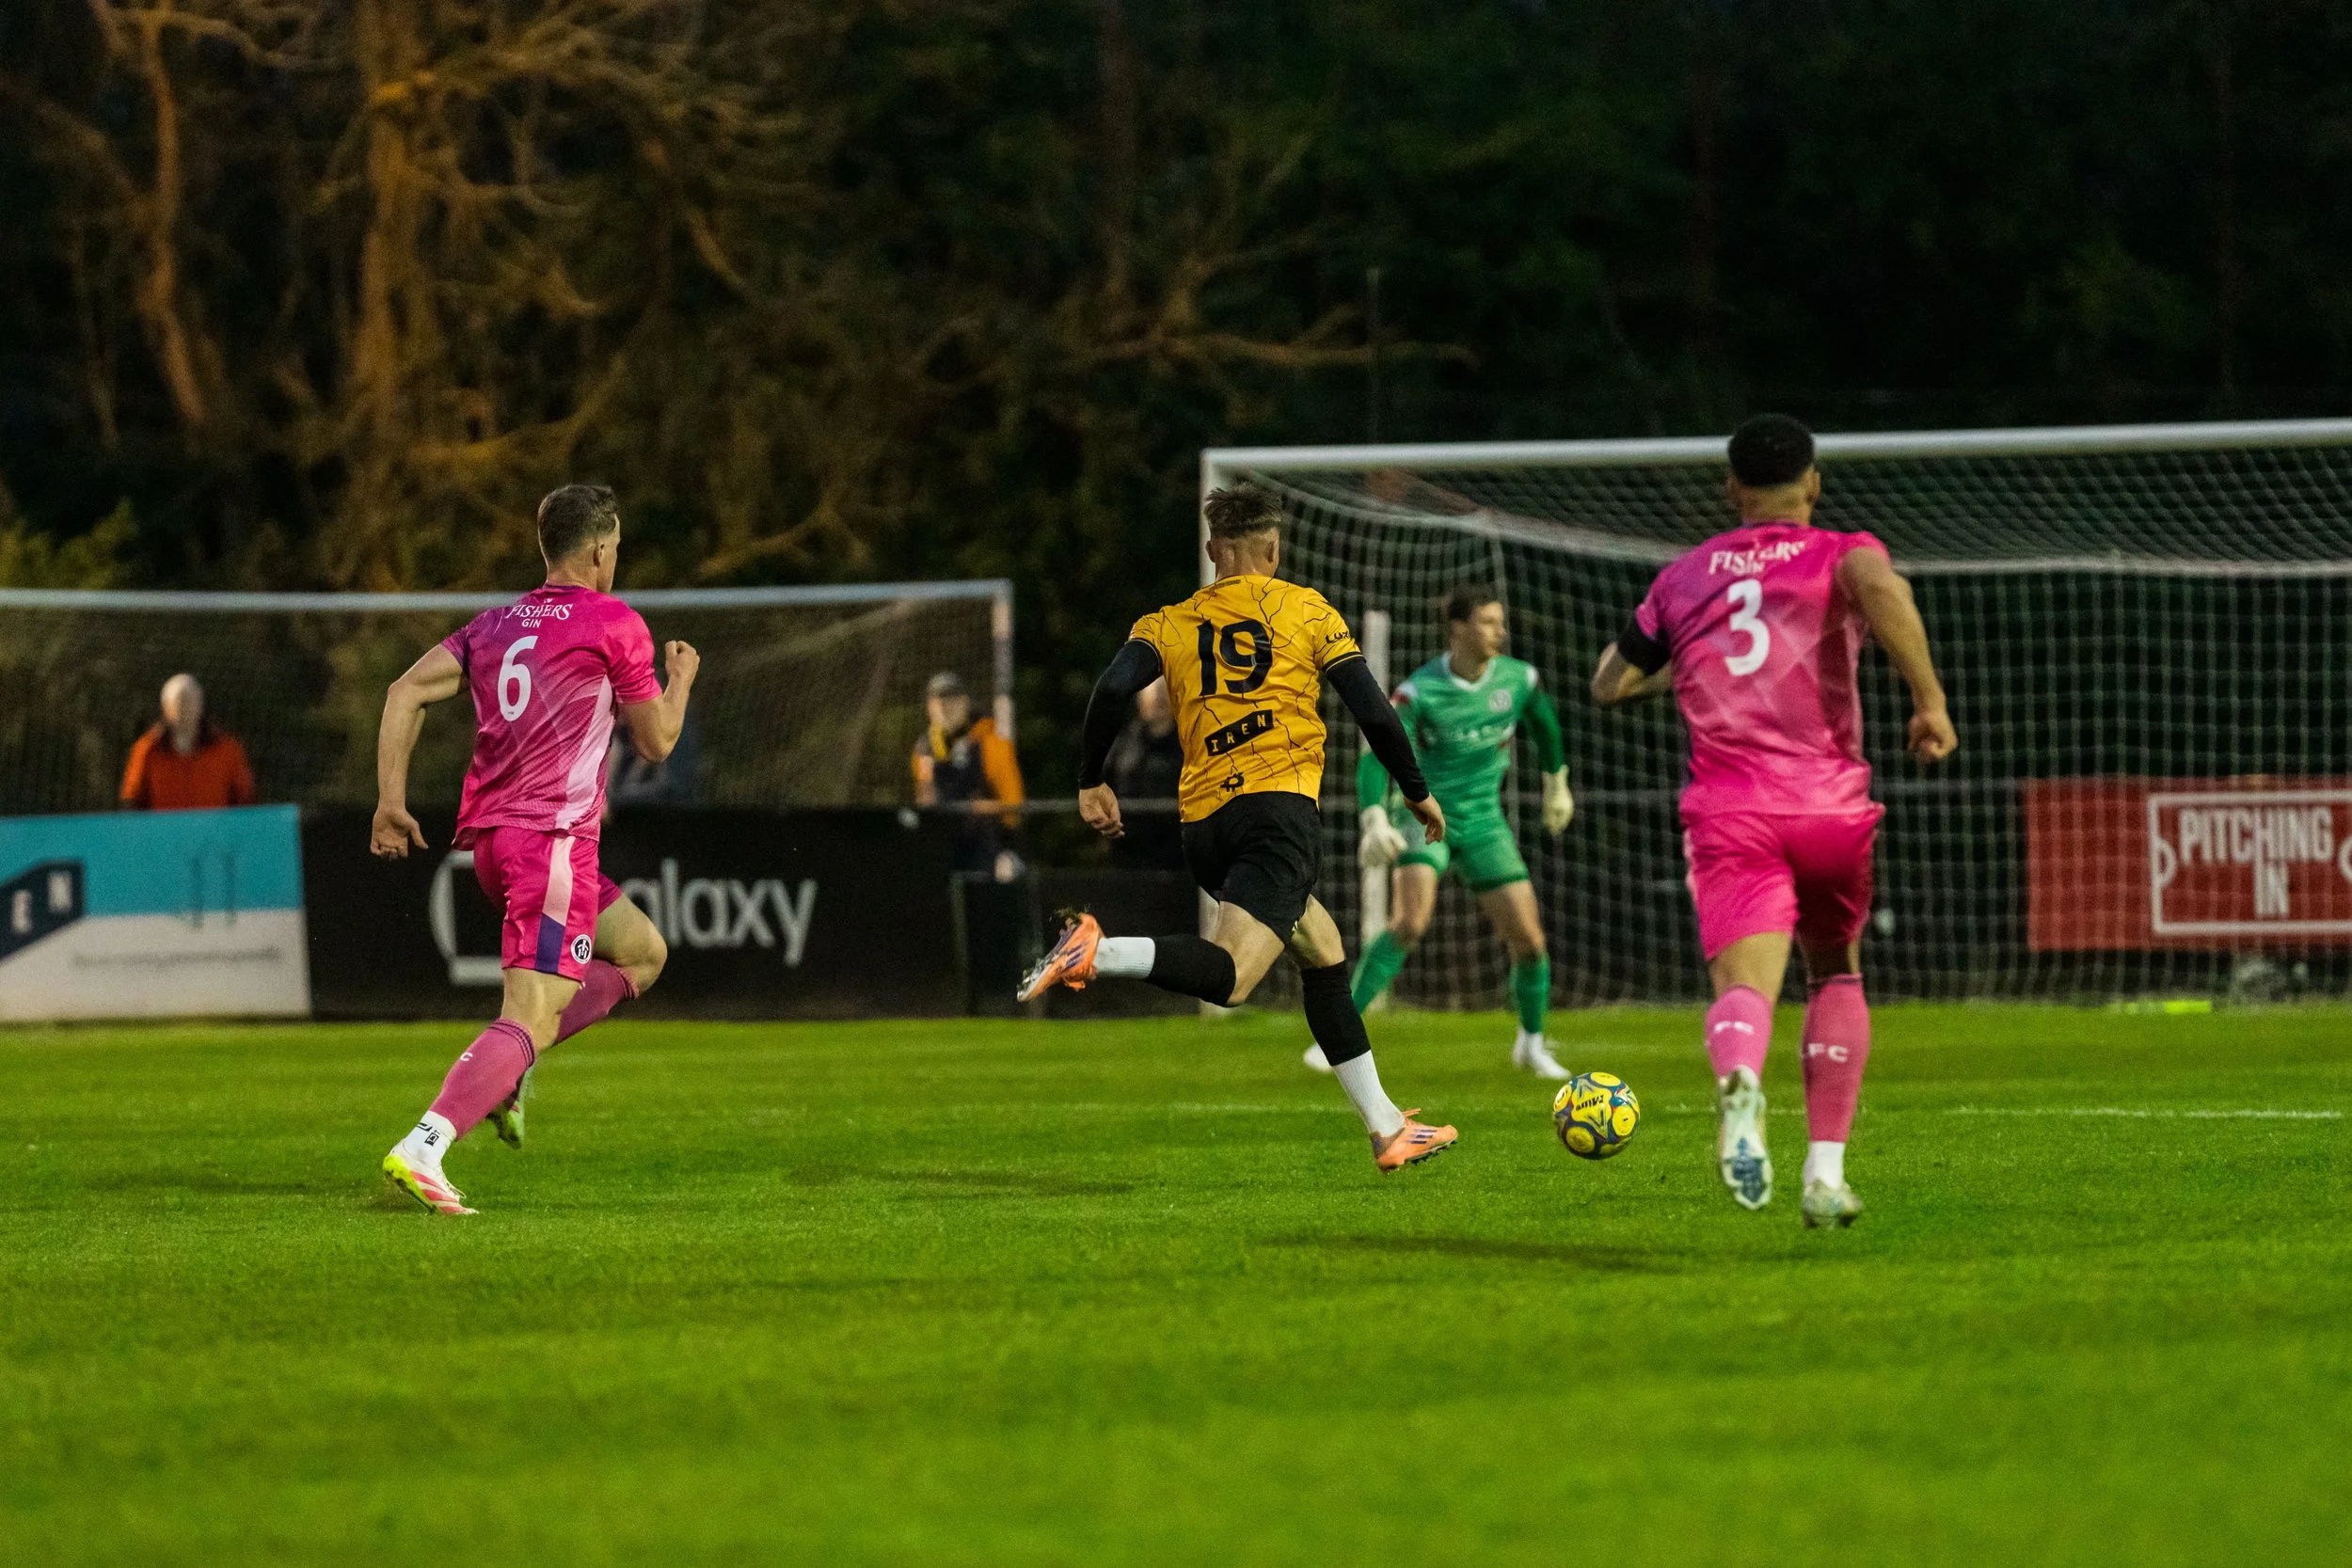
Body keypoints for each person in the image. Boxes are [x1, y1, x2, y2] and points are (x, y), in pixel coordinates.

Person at [1016, 483, 1457, 1173]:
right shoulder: (1306, 609)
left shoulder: (1168, 621)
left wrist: (1090, 777)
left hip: (1205, 828)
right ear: (1274, 548)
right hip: (1277, 813)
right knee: (1231, 979)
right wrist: (1418, 791)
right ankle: (1096, 953)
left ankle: (1385, 1126)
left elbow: (1109, 688)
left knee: (1324, 949)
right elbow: (1371, 709)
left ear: (1211, 550)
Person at [1591, 414, 1956, 1227]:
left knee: (1745, 988)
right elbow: (1887, 591)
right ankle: (1824, 1172)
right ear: (1813, 484)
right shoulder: (1843, 553)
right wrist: (1928, 702)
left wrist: (1684, 663)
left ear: (1731, 490)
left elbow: (1607, 682)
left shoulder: (1683, 577)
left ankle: (1741, 1082)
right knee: (1836, 971)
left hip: (1731, 813)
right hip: (1831, 807)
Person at [369, 483, 699, 1216]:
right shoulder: (614, 623)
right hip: (549, 842)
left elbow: (402, 691)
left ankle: (511, 1065)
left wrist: (390, 801)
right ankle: (427, 1141)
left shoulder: (494, 626)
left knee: (644, 952)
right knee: (532, 1011)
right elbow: (658, 741)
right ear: (602, 550)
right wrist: (679, 681)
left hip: (492, 844)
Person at [1333, 587, 1576, 1079]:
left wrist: (1557, 783)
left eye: (1499, 622)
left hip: (1486, 822)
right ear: (1459, 629)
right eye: (1487, 622)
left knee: (1529, 941)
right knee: (1410, 922)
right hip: (1427, 818)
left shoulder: (1518, 678)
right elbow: (1379, 751)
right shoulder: (1419, 690)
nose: (1499, 632)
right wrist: (1374, 817)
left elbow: (1545, 726)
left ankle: (1530, 1044)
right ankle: (1341, 1030)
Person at [912, 671, 1025, 879]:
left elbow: (1014, 808)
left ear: (965, 702)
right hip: (943, 846)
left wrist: (987, 808)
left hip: (987, 845)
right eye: (939, 700)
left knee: (1006, 873)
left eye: (952, 700)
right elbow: (925, 804)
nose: (945, 707)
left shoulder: (989, 741)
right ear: (929, 707)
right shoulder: (924, 749)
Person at [119, 673, 257, 810]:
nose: (186, 709)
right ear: (166, 707)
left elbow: (245, 797)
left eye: (191, 701)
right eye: (180, 702)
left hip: (214, 831)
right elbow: (132, 800)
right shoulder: (148, 749)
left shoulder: (227, 749)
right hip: (164, 831)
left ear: (201, 705)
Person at [1101, 676, 1185, 870]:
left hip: (1179, 857)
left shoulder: (1191, 745)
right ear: (1140, 702)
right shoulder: (1122, 745)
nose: (1159, 702)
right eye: (1154, 698)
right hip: (1129, 855)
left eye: (1165, 697)